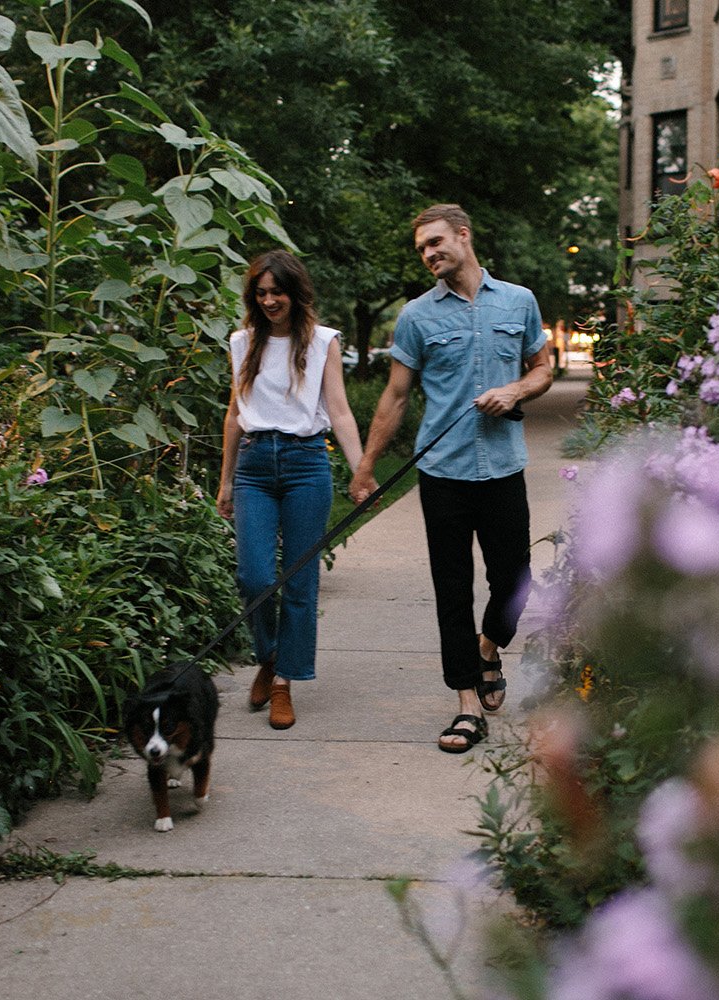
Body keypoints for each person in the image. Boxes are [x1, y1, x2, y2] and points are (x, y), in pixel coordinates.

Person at [351, 204, 552, 753]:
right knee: (452, 590)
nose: (429, 253)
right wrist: (366, 467)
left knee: (515, 582)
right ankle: (465, 704)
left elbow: (543, 367)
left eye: (436, 242)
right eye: (422, 248)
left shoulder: (519, 301)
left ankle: (487, 652)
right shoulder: (417, 316)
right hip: (443, 474)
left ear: (464, 236)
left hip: (503, 467)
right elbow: (395, 395)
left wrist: (515, 391)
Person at [217, 250, 364, 730]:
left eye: (276, 291)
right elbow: (235, 414)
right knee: (254, 576)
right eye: (260, 293)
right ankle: (270, 654)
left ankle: (283, 683)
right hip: (255, 466)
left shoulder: (323, 342)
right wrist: (225, 480)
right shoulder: (243, 343)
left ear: (294, 292)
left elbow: (339, 411)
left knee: (300, 582)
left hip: (306, 464)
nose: (268, 300)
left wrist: (361, 471)